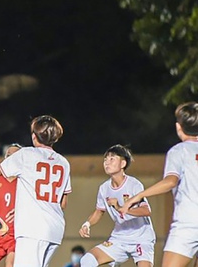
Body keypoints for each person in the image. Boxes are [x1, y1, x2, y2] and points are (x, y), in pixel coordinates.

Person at [120, 101, 198, 267]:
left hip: (189, 223)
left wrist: (139, 195)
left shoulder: (179, 151)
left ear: (179, 127)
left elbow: (170, 181)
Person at [0, 115, 71, 267]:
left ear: (34, 135)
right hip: (55, 229)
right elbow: (63, 202)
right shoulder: (63, 162)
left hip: (32, 228)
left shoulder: (25, 154)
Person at [78, 144, 155, 267]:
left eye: (112, 159)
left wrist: (121, 208)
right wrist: (87, 224)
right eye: (105, 160)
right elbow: (99, 211)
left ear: (123, 163)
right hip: (119, 238)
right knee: (87, 260)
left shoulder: (134, 184)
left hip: (141, 238)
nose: (107, 163)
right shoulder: (104, 188)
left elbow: (146, 211)